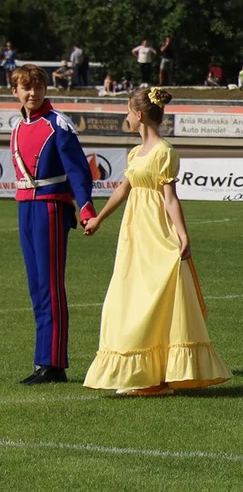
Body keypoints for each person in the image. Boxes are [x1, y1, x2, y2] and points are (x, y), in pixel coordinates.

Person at [82, 88, 231, 395]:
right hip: (134, 234)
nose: (125, 116)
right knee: (129, 297)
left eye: (127, 111)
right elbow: (124, 189)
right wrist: (99, 218)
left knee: (159, 297)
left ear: (139, 115)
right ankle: (143, 373)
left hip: (156, 232)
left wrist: (182, 234)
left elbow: (171, 199)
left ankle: (159, 376)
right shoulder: (137, 153)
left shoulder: (164, 152)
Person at [10, 64, 97, 384]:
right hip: (25, 208)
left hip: (50, 207)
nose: (32, 93)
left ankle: (53, 363)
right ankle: (42, 361)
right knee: (36, 287)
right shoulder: (19, 126)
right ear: (14, 90)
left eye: (37, 87)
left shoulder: (57, 123)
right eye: (25, 87)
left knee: (49, 286)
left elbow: (78, 170)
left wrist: (86, 209)